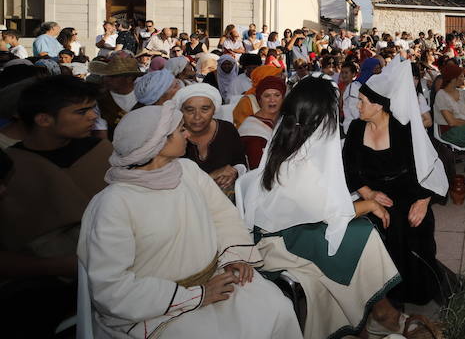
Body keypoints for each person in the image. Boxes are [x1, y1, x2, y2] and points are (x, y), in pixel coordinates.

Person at [77, 102, 300, 338]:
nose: (187, 133)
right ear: (158, 142)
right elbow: (112, 289)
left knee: (278, 308)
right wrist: (198, 295)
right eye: (180, 129)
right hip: (156, 309)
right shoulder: (113, 203)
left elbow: (221, 215)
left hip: (215, 277)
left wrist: (233, 256)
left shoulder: (187, 170)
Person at [242, 76, 441, 339]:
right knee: (362, 235)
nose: (346, 110)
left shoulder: (292, 138)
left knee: (364, 231)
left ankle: (380, 313)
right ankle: (381, 315)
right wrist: (369, 202)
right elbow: (325, 208)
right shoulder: (300, 159)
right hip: (282, 238)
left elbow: (321, 198)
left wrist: (378, 200)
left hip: (297, 222)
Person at [0, 77, 111, 337]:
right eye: (81, 111)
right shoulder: (11, 167)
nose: (93, 117)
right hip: (41, 296)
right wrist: (59, 266)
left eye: (93, 108)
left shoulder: (103, 152)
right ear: (43, 119)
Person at [343, 58, 448, 305]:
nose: (356, 106)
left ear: (378, 106)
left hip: (409, 189)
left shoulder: (403, 129)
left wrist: (423, 200)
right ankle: (387, 298)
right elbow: (348, 167)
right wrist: (367, 193)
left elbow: (430, 165)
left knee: (414, 225)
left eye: (362, 101)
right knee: (378, 227)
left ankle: (417, 291)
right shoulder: (357, 129)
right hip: (373, 193)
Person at [174, 84, 247, 195]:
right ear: (181, 111)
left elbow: (240, 162)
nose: (197, 116)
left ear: (214, 110)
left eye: (205, 109)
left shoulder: (227, 130)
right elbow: (174, 184)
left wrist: (234, 172)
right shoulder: (172, 138)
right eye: (190, 110)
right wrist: (212, 176)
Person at [89, 55, 144, 141]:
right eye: (106, 75)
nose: (106, 79)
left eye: (113, 77)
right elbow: (101, 134)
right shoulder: (100, 100)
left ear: (129, 78)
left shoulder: (145, 95)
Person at [238, 75, 286, 169]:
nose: (272, 100)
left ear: (282, 98)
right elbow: (257, 168)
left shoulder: (284, 119)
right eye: (267, 96)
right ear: (259, 100)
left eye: (277, 95)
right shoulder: (251, 130)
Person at [231, 65, 283, 129]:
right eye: (276, 79)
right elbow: (242, 129)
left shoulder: (281, 97)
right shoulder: (246, 102)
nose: (281, 81)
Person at [342, 57, 382, 134]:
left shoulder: (374, 86)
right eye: (375, 69)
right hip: (354, 131)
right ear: (368, 70)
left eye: (379, 69)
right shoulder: (354, 87)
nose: (378, 72)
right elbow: (356, 112)